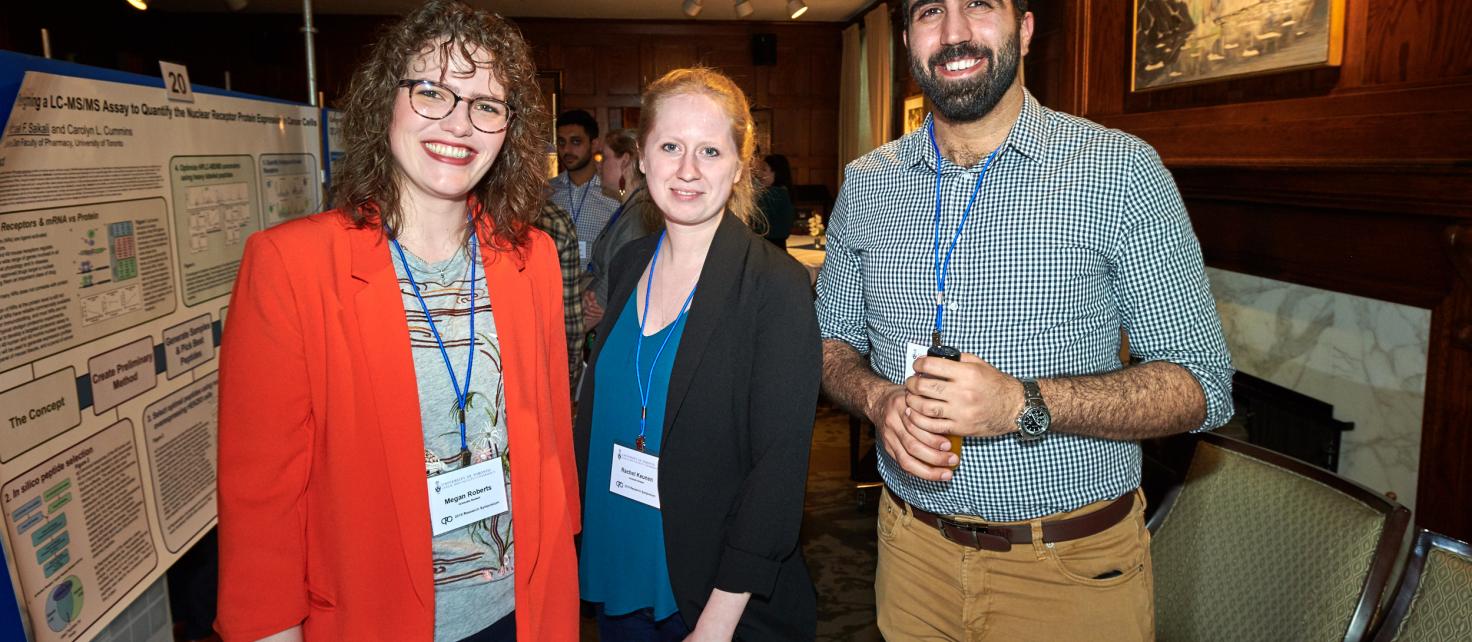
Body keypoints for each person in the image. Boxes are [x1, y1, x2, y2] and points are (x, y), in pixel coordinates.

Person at [815, 0, 1234, 639]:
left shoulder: (1120, 172)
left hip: (1066, 570)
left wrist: (1022, 404)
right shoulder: (867, 182)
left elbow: (1202, 388)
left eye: (979, 5)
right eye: (931, 12)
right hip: (909, 554)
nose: (955, 34)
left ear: (1026, 28)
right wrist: (876, 399)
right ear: (907, 40)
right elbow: (831, 342)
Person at [215, 2, 580, 641]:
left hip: (520, 609)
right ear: (388, 101)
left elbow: (549, 441)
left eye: (486, 104)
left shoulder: (533, 260)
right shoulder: (290, 265)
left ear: (508, 130)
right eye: (433, 91)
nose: (459, 123)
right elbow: (261, 500)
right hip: (375, 613)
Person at [574, 68, 821, 641]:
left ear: (739, 166)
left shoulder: (773, 286)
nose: (687, 170)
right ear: (641, 158)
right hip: (619, 566)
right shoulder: (630, 261)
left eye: (709, 150)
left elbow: (777, 475)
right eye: (670, 147)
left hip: (708, 598)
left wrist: (717, 623)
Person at [581, 128, 661, 330]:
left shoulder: (640, 214)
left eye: (604, 157)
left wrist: (584, 319)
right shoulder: (632, 207)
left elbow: (622, 276)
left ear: (625, 161)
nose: (598, 165)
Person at [550, 109, 621, 263]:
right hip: (555, 284)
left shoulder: (613, 195)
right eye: (561, 142)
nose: (567, 150)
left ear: (594, 144)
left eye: (576, 142)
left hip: (597, 285)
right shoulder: (546, 192)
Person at [534, 201, 585, 395]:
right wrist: (567, 385)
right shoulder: (556, 222)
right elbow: (570, 323)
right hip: (540, 373)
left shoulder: (556, 224)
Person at [752, 154, 795, 248]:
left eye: (764, 170)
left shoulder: (774, 194)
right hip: (775, 246)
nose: (760, 174)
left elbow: (756, 222)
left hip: (769, 247)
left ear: (776, 173)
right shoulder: (783, 191)